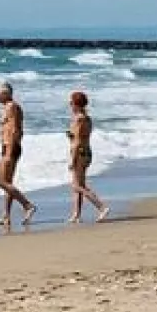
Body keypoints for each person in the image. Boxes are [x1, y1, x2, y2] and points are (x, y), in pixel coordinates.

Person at [0, 82, 36, 226]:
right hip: (7, 146)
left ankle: (27, 205)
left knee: (2, 182)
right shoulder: (7, 107)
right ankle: (6, 215)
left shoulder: (12, 107)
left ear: (5, 93)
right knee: (8, 182)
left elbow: (14, 129)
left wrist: (10, 150)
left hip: (10, 147)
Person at [65, 91, 111, 222]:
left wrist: (72, 159)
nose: (70, 104)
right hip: (87, 152)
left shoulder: (78, 119)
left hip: (79, 152)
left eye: (71, 102)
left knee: (77, 186)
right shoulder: (87, 118)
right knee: (79, 184)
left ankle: (102, 207)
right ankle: (76, 214)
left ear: (76, 104)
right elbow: (82, 137)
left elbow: (77, 141)